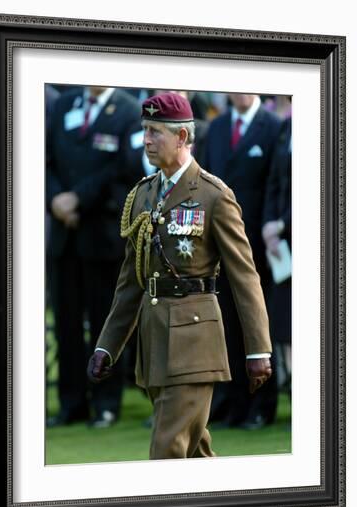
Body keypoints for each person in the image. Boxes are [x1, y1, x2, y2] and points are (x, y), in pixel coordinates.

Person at [87, 91, 272, 459]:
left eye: (156, 131)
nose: (147, 140)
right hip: (154, 346)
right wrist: (107, 344)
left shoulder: (214, 196)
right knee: (193, 454)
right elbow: (131, 281)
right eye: (145, 130)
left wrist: (258, 349)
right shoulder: (142, 194)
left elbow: (244, 276)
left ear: (182, 137)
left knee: (167, 452)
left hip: (195, 346)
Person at [46, 86, 145, 428]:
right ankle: (71, 404)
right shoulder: (62, 105)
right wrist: (57, 199)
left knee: (105, 324)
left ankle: (105, 403)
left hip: (101, 234)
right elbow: (45, 160)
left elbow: (125, 170)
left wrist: (79, 199)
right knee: (66, 323)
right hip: (64, 234)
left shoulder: (129, 110)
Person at [201, 93, 282, 429]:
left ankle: (262, 406)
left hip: (256, 248)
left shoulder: (274, 127)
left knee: (258, 325)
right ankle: (233, 405)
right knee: (226, 327)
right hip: (217, 247)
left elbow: (275, 185)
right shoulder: (217, 127)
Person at [262, 115, 292, 395]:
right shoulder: (286, 127)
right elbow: (274, 181)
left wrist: (282, 222)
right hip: (282, 246)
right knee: (284, 326)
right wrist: (269, 225)